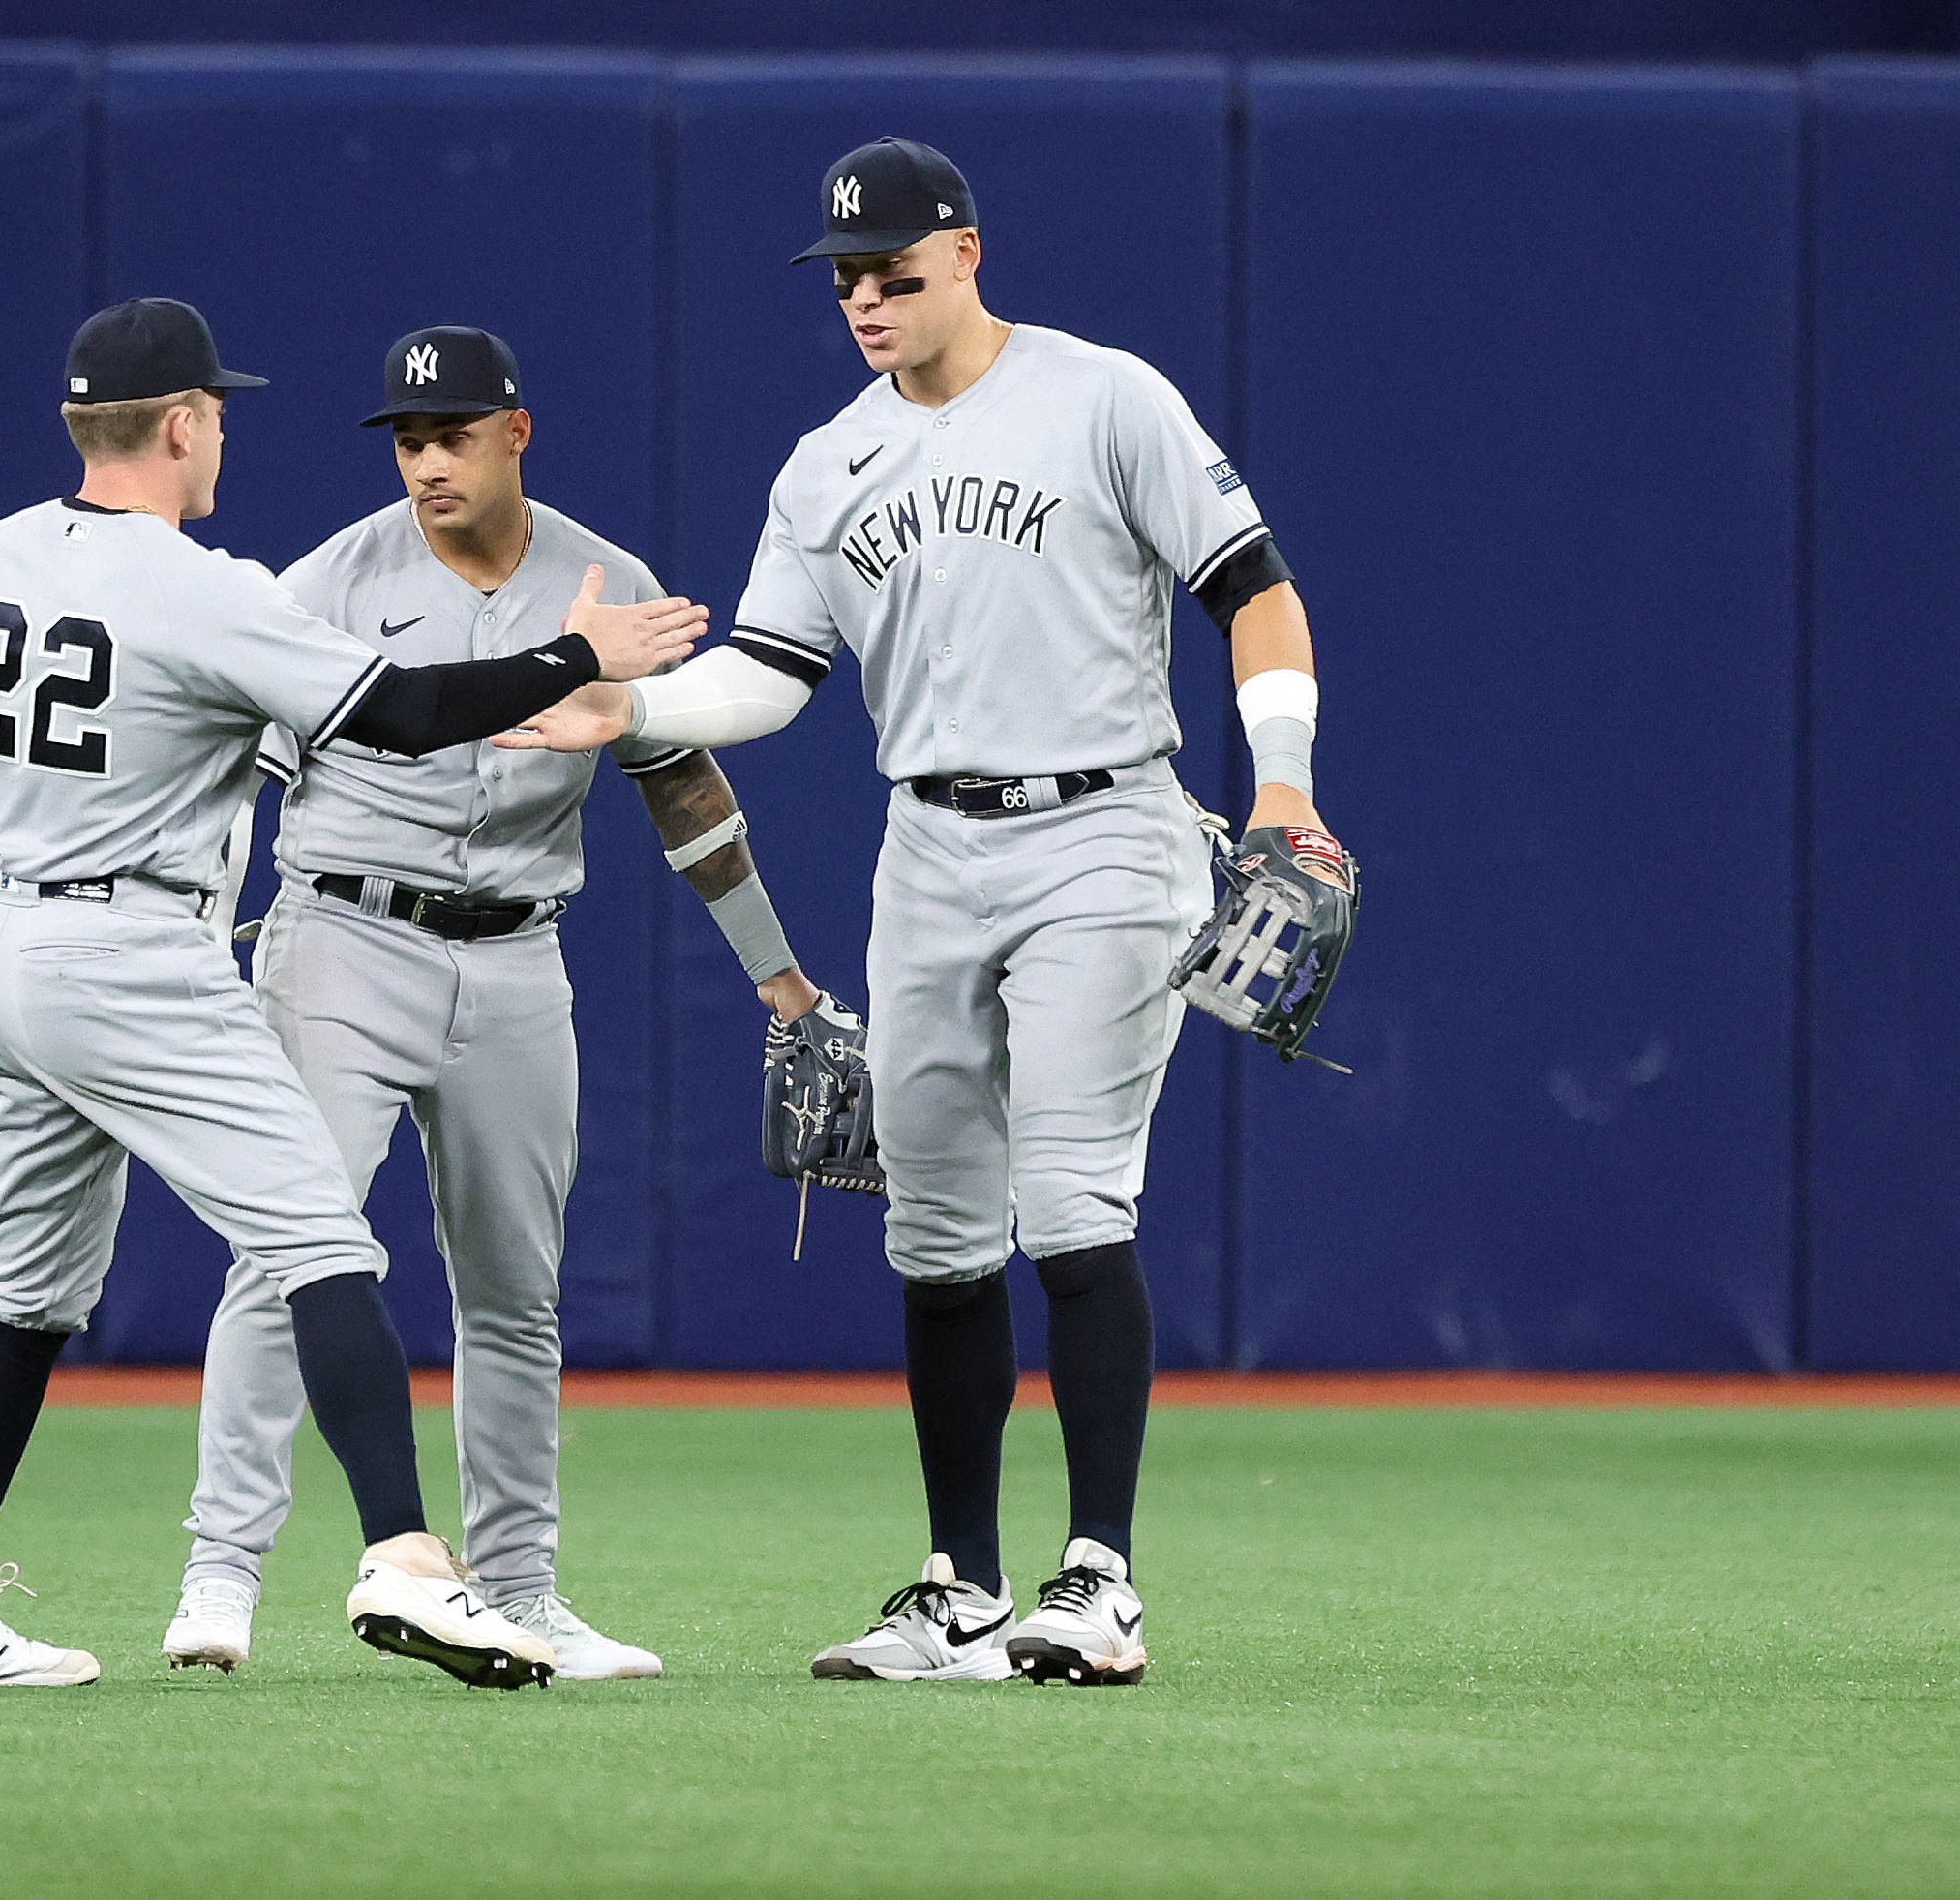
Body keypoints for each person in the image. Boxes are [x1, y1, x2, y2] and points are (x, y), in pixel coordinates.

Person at [498, 139, 1346, 1687]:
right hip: (928, 851)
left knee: (1075, 1200)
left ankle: (1099, 1582)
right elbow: (768, 672)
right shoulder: (825, 463)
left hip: (1102, 825)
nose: (867, 301)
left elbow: (1254, 586)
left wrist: (1279, 783)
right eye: (845, 281)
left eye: (893, 272)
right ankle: (960, 1590)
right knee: (939, 1232)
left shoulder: (1103, 397)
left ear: (966, 252)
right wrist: (621, 706)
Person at [0, 297, 705, 1689]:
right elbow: (408, 716)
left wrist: (14, 826)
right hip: (129, 955)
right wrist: (577, 659)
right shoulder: (205, 585)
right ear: (180, 425)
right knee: (321, 1244)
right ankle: (409, 1561)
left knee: (25, 1298)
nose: (223, 433)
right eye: (218, 413)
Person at [162, 326, 834, 1681]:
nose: (425, 461)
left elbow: (682, 784)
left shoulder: (607, 584)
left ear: (514, 432)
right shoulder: (325, 584)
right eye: (407, 439)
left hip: (520, 953)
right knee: (292, 1251)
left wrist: (772, 966)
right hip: (343, 937)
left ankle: (520, 1590)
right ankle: (219, 1573)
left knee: (516, 1292)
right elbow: (228, 768)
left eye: (451, 434)